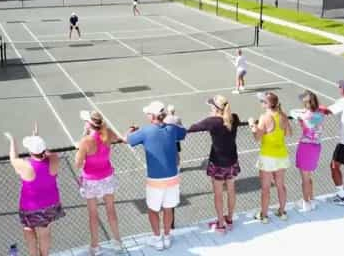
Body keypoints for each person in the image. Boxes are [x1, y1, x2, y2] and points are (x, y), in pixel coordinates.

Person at [120, 101, 186, 251]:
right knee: (168, 208)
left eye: (148, 113)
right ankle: (167, 237)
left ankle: (157, 239)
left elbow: (126, 139)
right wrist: (172, 119)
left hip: (155, 180)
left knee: (153, 210)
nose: (146, 115)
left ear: (153, 116)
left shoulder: (145, 131)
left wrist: (130, 130)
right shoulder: (172, 128)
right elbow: (183, 132)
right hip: (173, 178)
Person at [4, 125, 65, 256]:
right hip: (50, 205)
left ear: (31, 152)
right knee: (45, 234)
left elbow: (13, 158)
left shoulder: (25, 165)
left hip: (30, 208)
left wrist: (12, 141)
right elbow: (48, 154)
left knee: (29, 232)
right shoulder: (54, 159)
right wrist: (38, 139)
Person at [188, 95, 240, 233]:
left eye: (212, 105)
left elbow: (192, 127)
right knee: (231, 191)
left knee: (218, 195)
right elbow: (227, 120)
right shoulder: (234, 117)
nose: (210, 107)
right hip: (232, 161)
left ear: (216, 108)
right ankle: (229, 219)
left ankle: (221, 225)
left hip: (218, 163)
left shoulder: (213, 121)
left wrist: (210, 117)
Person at [75, 110, 123, 255]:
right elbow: (116, 138)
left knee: (93, 215)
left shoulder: (85, 141)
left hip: (91, 181)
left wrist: (81, 145)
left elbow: (78, 163)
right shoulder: (107, 133)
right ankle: (117, 242)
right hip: (107, 177)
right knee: (111, 210)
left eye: (86, 121)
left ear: (89, 124)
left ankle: (95, 247)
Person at [249, 92, 291, 223]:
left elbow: (257, 137)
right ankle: (282, 212)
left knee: (265, 188)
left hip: (267, 157)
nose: (260, 103)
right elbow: (289, 133)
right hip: (281, 155)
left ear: (267, 104)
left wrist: (252, 125)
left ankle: (264, 215)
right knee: (280, 186)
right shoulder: (283, 116)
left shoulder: (264, 117)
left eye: (262, 101)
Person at [293, 90, 325, 212]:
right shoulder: (319, 114)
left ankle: (305, 202)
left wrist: (303, 114)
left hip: (306, 147)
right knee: (309, 176)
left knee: (304, 179)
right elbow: (312, 117)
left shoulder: (305, 115)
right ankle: (311, 199)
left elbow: (293, 113)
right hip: (316, 146)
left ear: (306, 103)